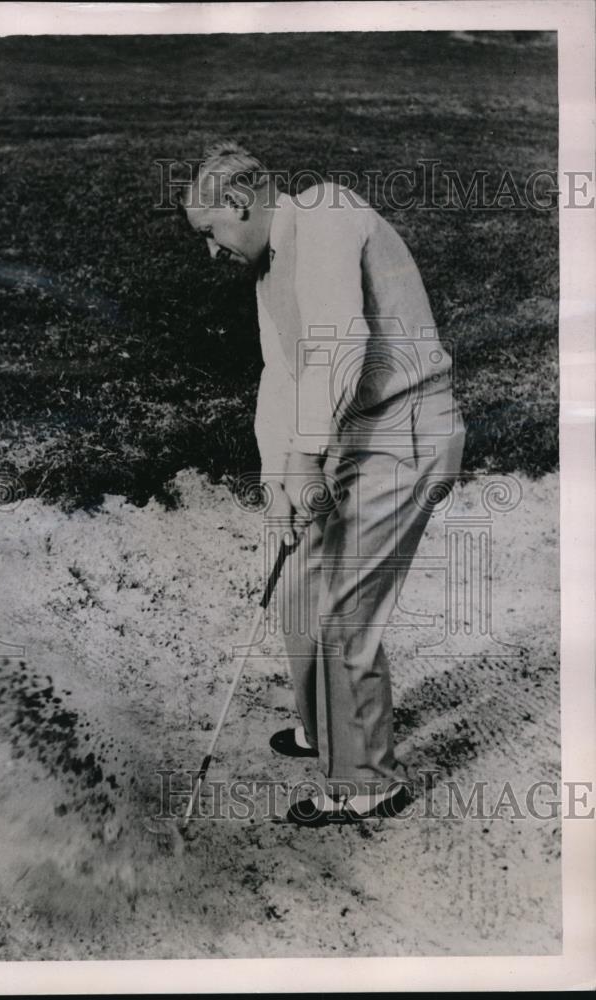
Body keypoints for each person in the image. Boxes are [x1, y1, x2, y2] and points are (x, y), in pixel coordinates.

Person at [182, 141, 465, 826]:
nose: (210, 253)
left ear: (239, 204)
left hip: (408, 433)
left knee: (344, 603)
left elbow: (341, 343)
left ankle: (367, 780)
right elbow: (281, 376)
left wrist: (307, 455)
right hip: (352, 434)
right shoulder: (268, 268)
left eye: (210, 234)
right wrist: (278, 475)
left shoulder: (327, 212)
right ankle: (320, 729)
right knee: (301, 579)